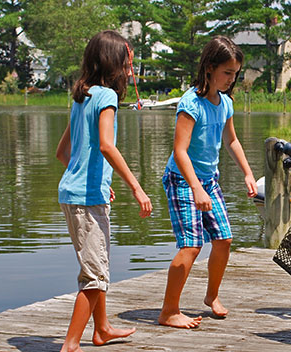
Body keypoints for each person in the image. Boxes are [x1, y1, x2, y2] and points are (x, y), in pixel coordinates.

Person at [55, 30, 153, 352]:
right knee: (95, 275)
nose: (130, 72)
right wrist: (137, 188)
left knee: (97, 265)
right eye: (127, 65)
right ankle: (70, 345)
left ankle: (103, 329)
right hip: (85, 199)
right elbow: (107, 146)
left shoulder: (81, 96)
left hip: (74, 194)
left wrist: (93, 179)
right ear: (113, 63)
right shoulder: (107, 97)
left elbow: (63, 152)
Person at [158, 36, 257, 329]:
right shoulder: (192, 103)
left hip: (208, 180)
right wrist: (196, 188)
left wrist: (248, 172)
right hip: (182, 179)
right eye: (227, 72)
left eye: (235, 73)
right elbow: (180, 150)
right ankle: (169, 311)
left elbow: (232, 140)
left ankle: (211, 296)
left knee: (224, 239)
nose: (231, 79)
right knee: (191, 245)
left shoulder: (224, 103)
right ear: (210, 68)